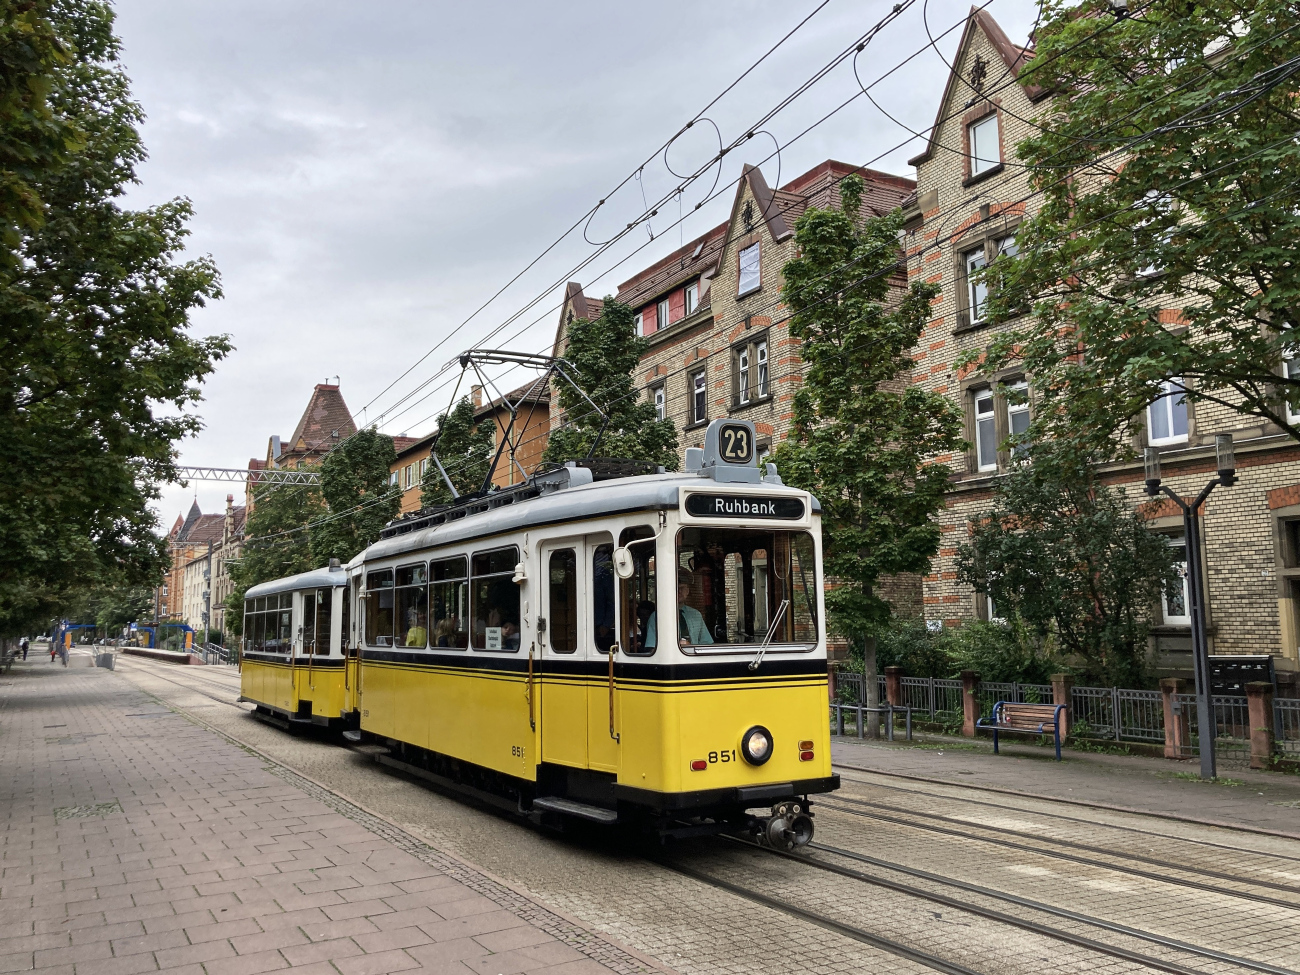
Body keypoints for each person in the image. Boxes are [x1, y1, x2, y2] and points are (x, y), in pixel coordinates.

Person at [646, 569, 714, 648]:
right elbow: (651, 647)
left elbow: (706, 644)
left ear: (687, 591)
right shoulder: (657, 617)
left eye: (682, 588)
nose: (679, 591)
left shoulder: (696, 614)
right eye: (675, 588)